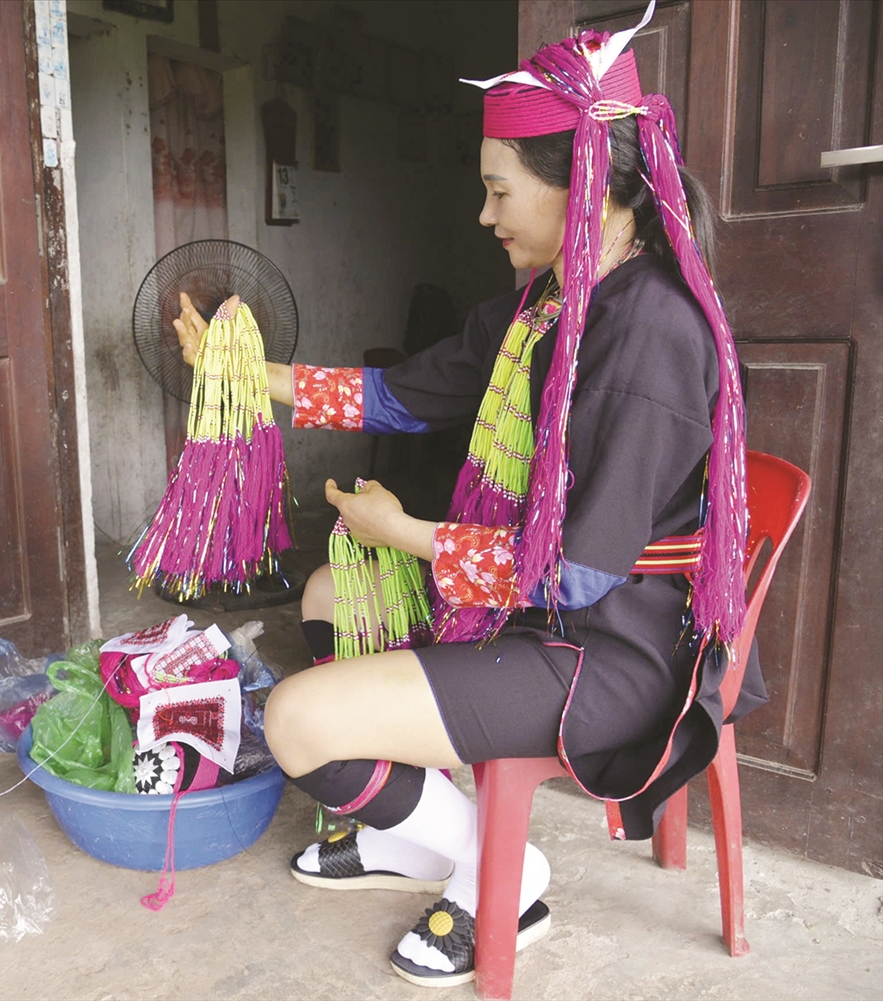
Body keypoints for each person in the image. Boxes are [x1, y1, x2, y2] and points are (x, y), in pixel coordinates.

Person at [173, 10, 760, 988]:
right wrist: (242, 367)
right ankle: (422, 835)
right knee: (327, 591)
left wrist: (407, 531)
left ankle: (501, 872)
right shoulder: (548, 303)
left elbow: (579, 565)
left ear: (579, 187)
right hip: (535, 605)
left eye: (498, 191)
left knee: (297, 723)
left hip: (603, 645)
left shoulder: (648, 332)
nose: (485, 217)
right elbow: (402, 394)